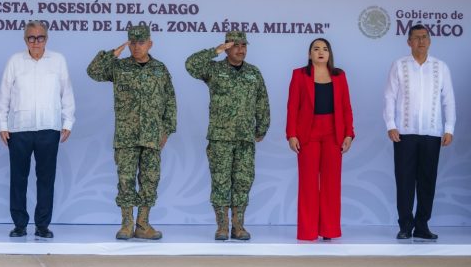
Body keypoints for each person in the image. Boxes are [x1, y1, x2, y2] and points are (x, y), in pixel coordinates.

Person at [87, 24, 176, 240]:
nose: (137, 47)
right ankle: (126, 224)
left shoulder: (160, 69)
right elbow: (93, 71)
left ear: (150, 43)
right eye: (133, 43)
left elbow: (170, 100)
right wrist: (115, 52)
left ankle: (143, 224)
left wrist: (167, 130)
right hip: (126, 136)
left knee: (150, 180)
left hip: (152, 136)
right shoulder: (119, 67)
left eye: (141, 42)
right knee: (125, 180)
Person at [185, 31, 269, 241]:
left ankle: (238, 226)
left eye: (244, 45)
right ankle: (222, 226)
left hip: (244, 138)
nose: (241, 49)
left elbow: (262, 102)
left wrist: (261, 128)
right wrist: (215, 51)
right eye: (236, 45)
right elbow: (191, 65)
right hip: (220, 137)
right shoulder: (214, 70)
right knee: (221, 181)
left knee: (243, 181)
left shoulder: (253, 73)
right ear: (227, 47)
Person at [0, 20, 75, 239]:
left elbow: (66, 93)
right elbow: (4, 94)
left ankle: (42, 225)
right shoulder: (15, 61)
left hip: (49, 128)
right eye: (31, 38)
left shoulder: (58, 61)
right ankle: (19, 224)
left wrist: (68, 121)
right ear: (25, 40)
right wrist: (2, 123)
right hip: (19, 129)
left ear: (46, 39)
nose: (36, 42)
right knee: (18, 178)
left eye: (40, 38)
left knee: (46, 178)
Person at [384, 24, 455, 241]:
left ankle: (422, 225)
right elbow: (389, 97)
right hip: (404, 133)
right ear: (409, 42)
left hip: (432, 133)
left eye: (424, 37)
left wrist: (449, 128)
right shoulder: (399, 65)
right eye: (416, 38)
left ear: (430, 40)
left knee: (427, 180)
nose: (421, 41)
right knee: (404, 180)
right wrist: (391, 124)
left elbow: (448, 99)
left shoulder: (440, 67)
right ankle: (405, 225)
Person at [286, 38, 354, 241]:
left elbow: (346, 107)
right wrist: (291, 134)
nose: (321, 52)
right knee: (307, 184)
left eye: (325, 49)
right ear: (310, 54)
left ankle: (329, 230)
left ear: (330, 54)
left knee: (331, 184)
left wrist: (349, 134)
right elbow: (292, 107)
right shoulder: (299, 75)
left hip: (333, 133)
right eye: (316, 49)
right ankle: (307, 232)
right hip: (308, 133)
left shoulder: (339, 76)